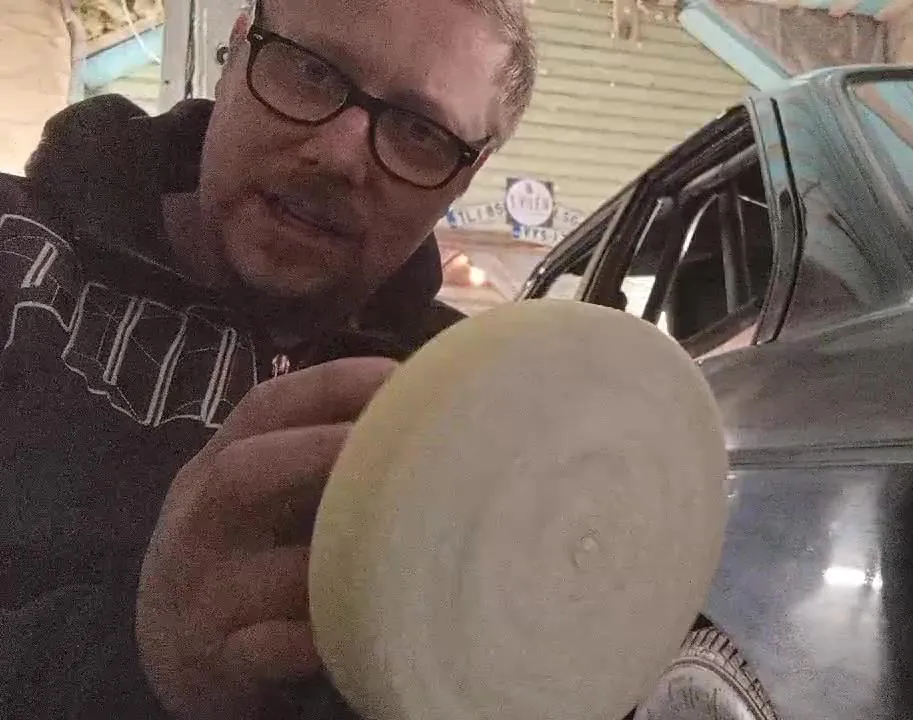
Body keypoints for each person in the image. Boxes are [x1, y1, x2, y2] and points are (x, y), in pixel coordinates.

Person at [0, 0, 536, 715]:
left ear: (466, 176)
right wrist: (138, 657)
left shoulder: (468, 405)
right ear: (236, 53)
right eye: (311, 71)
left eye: (419, 131)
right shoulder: (17, 263)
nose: (338, 156)